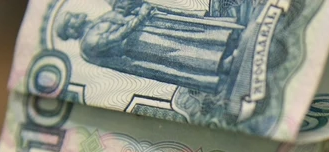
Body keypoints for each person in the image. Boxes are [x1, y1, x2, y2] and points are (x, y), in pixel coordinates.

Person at [55, 0, 247, 93]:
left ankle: (228, 43)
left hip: (150, 31)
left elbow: (121, 15)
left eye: (73, 15)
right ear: (71, 30)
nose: (77, 16)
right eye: (72, 19)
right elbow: (117, 37)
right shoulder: (88, 43)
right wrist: (141, 17)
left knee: (189, 38)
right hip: (142, 48)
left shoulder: (97, 21)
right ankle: (222, 65)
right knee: (181, 54)